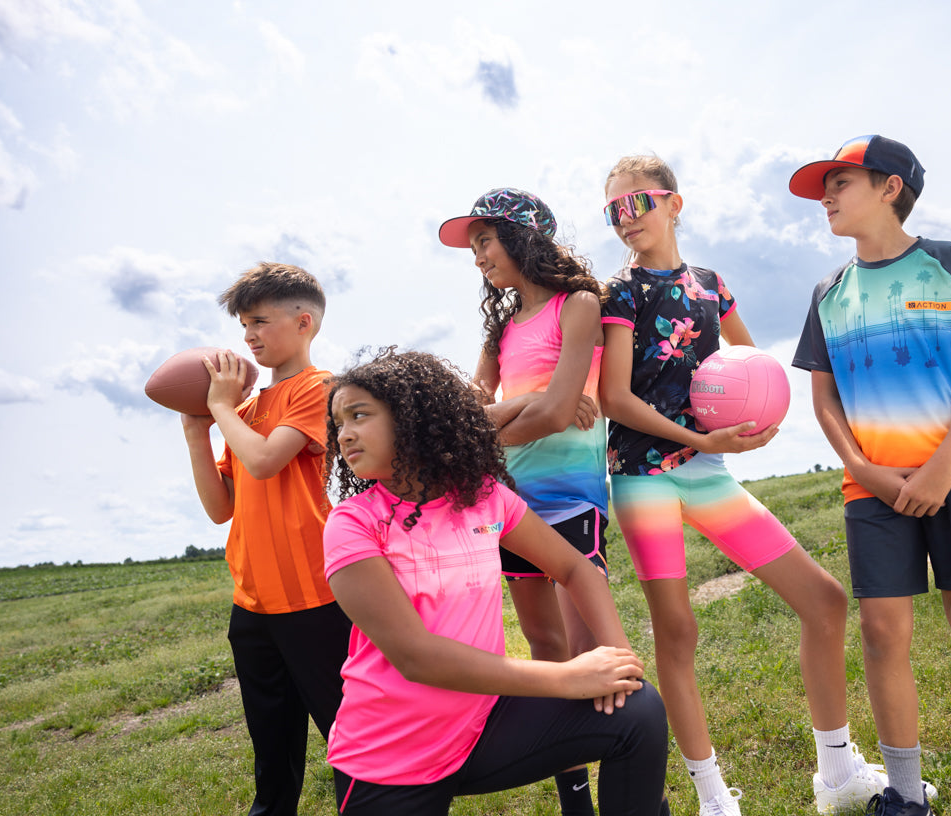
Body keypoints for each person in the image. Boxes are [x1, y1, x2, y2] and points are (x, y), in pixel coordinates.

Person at [599, 155, 907, 816]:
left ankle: (838, 779)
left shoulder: (712, 285)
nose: (626, 221)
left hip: (707, 472)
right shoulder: (617, 292)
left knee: (823, 600)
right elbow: (615, 399)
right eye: (613, 211)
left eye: (637, 204)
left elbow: (752, 367)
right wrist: (701, 439)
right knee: (676, 634)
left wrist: (757, 422)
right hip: (643, 477)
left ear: (673, 204)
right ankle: (714, 800)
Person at [320, 347, 668, 816]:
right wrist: (566, 676)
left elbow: (576, 569)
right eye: (338, 423)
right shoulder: (352, 524)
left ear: (411, 419)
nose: (344, 434)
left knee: (638, 710)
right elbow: (416, 657)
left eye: (358, 415)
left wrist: (617, 664)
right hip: (391, 758)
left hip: (483, 724)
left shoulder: (485, 497)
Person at [789, 135, 951, 816]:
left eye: (842, 183)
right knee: (883, 633)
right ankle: (902, 792)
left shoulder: (948, 263)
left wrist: (942, 468)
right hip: (873, 487)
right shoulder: (828, 292)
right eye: (824, 188)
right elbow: (825, 396)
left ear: (891, 186)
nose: (827, 198)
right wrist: (865, 468)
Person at [439, 187, 610, 815]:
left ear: (523, 236)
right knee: (544, 650)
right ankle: (576, 800)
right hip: (508, 503)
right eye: (475, 245)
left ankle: (625, 771)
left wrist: (516, 415)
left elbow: (562, 409)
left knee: (590, 652)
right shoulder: (499, 331)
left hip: (572, 499)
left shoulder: (579, 305)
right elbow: (463, 424)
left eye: (485, 240)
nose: (478, 255)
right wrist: (524, 408)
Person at [180, 261, 350, 816]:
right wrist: (196, 429)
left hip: (314, 596)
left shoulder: (319, 389)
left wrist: (221, 408)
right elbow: (219, 508)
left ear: (305, 323)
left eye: (258, 322)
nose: (248, 337)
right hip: (252, 600)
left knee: (348, 735)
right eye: (243, 326)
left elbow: (266, 459)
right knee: (271, 748)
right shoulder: (245, 410)